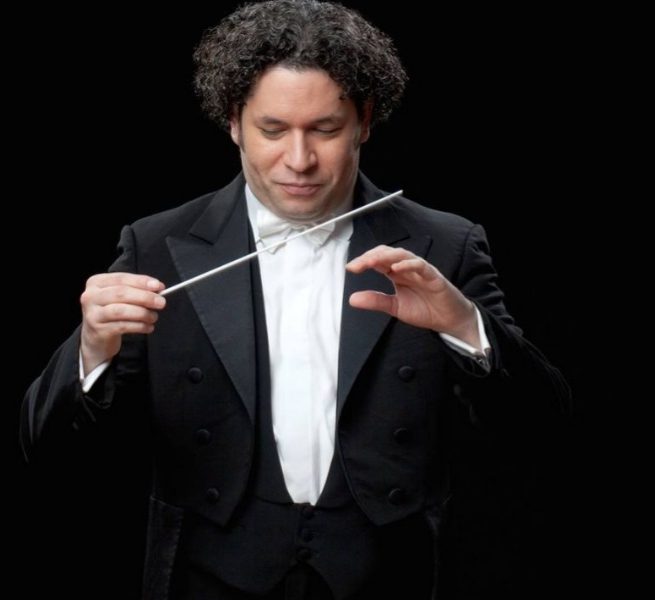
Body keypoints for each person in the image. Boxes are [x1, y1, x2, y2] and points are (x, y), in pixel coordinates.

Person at [21, 1, 570, 598]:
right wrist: (93, 348)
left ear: (364, 121)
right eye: (273, 130)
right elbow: (44, 447)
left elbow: (542, 425)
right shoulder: (155, 246)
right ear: (234, 121)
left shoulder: (446, 244)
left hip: (390, 576)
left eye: (325, 130)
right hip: (209, 577)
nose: (300, 160)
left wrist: (464, 326)